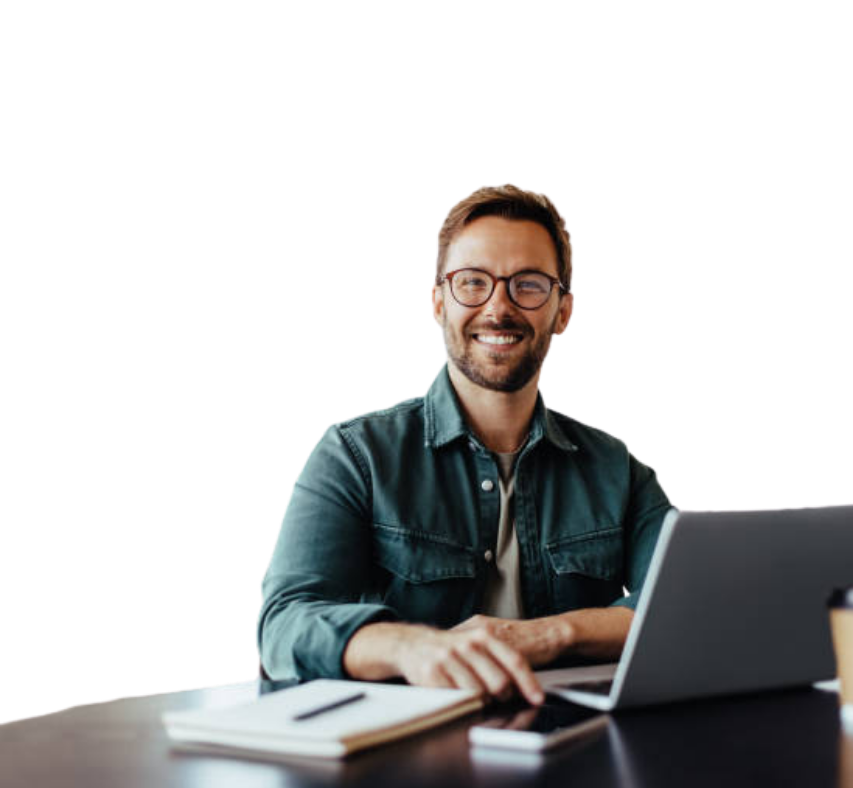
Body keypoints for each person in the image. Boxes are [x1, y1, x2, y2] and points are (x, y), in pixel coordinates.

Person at [256, 183, 673, 705]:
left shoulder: (619, 468)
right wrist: (409, 647)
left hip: (571, 736)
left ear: (563, 312)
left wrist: (551, 634)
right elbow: (284, 623)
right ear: (438, 302)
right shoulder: (355, 455)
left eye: (528, 285)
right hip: (406, 743)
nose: (498, 308)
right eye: (473, 282)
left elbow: (679, 607)